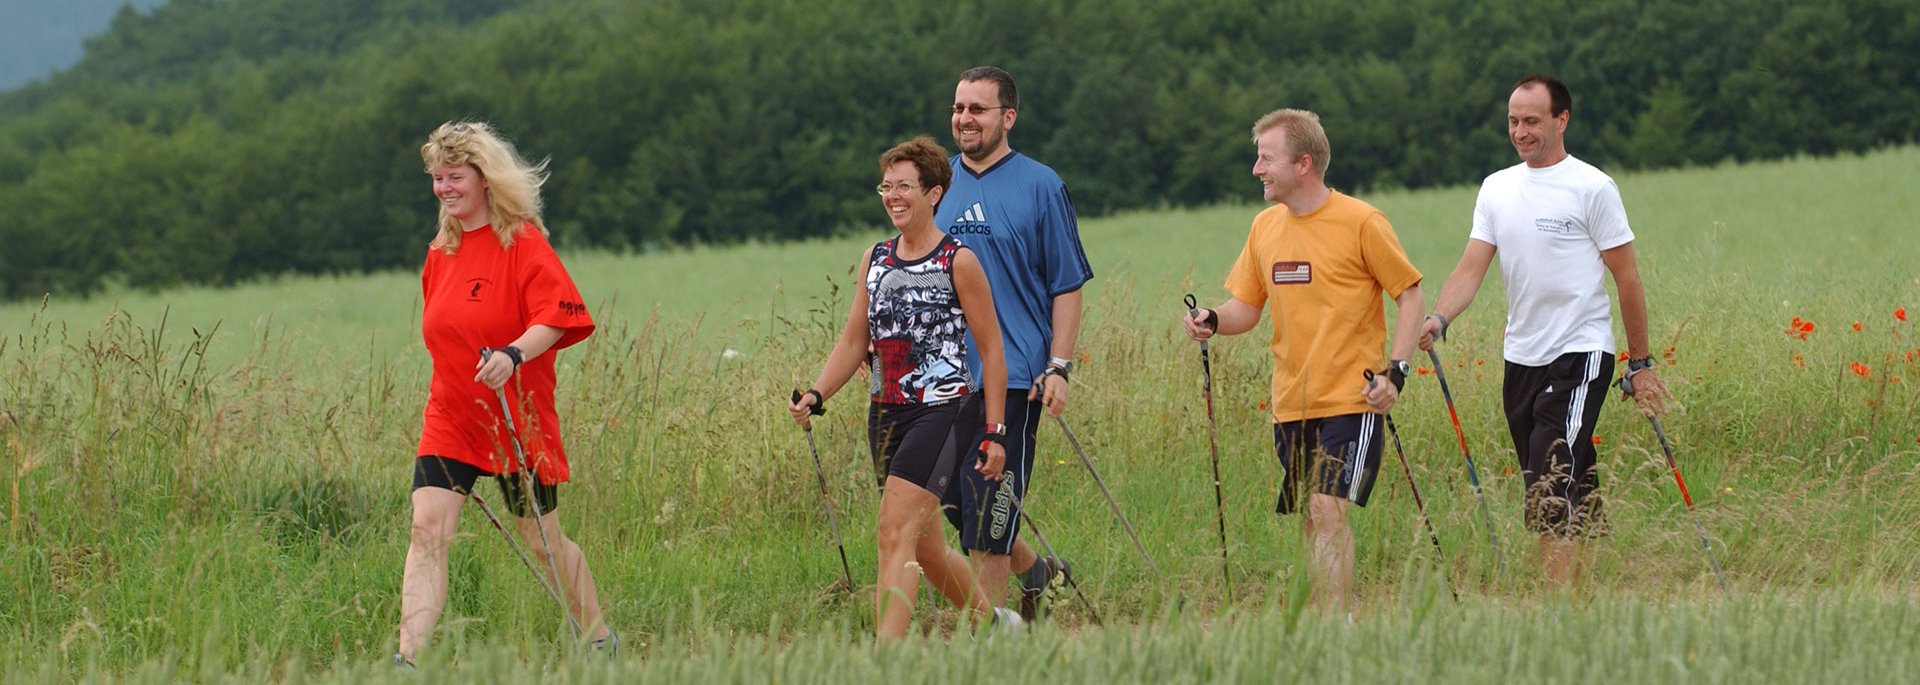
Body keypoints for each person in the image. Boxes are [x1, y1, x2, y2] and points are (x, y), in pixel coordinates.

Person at [1418, 74, 1672, 589]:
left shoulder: (1593, 187)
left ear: (1562, 120)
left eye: (1532, 120)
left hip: (1580, 352)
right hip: (1522, 356)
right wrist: (1439, 318)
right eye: (1513, 121)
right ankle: (1583, 597)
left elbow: (1627, 277)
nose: (1520, 131)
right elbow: (1471, 268)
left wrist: (1640, 363)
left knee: (1548, 475)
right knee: (1565, 472)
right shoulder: (1496, 187)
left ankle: (1556, 607)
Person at [1182, 109, 1425, 617]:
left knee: (1325, 508)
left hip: (1352, 399)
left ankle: (1337, 629)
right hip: (1291, 403)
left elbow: (1410, 295)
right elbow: (1245, 308)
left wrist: (1396, 373)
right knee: (1311, 520)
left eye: (1266, 158)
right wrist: (1211, 318)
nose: (1256, 169)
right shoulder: (1264, 227)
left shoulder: (1362, 221)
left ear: (1304, 164)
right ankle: (1319, 624)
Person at [397, 121, 615, 666]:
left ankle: (598, 640)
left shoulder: (521, 243)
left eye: (456, 177)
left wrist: (513, 353)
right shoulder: (439, 252)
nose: (445, 188)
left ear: (485, 179)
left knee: (542, 542)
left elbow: (561, 317)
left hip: (514, 417)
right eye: (438, 178)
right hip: (450, 415)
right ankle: (408, 661)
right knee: (427, 530)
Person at [788, 135, 1022, 640]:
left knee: (893, 532)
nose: (893, 196)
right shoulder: (875, 259)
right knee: (926, 549)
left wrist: (996, 431)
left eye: (904, 186)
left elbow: (993, 349)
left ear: (933, 193)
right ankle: (997, 626)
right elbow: (855, 340)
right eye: (886, 186)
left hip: (943, 411)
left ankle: (885, 660)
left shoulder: (957, 261)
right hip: (885, 413)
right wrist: (817, 393)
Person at [935, 65, 1095, 622]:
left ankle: (989, 644)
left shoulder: (1041, 185)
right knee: (952, 507)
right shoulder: (938, 185)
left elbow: (1067, 283)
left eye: (977, 109)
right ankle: (1038, 573)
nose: (964, 119)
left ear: (1008, 117)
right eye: (958, 108)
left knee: (988, 516)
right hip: (944, 378)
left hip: (1016, 379)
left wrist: (1060, 366)